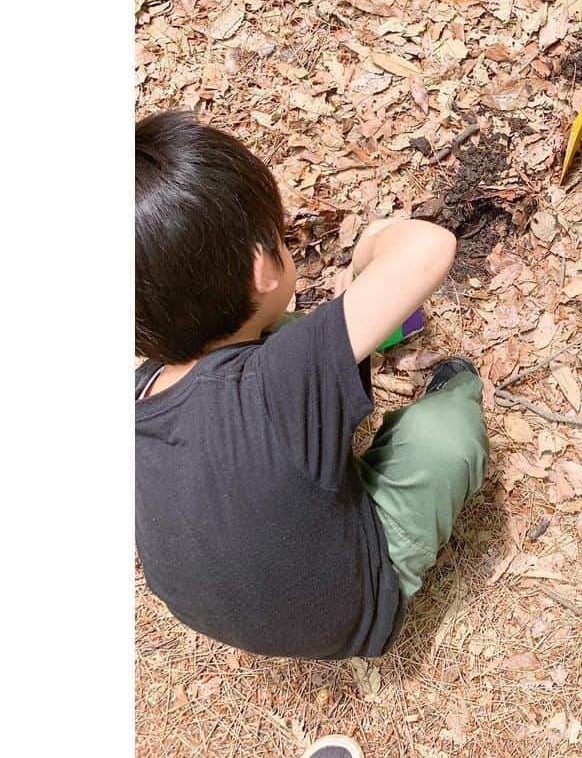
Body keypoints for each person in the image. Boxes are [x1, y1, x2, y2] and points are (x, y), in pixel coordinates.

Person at [135, 110, 488, 660]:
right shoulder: (278, 384)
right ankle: (455, 387)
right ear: (263, 269)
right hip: (355, 609)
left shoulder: (137, 394)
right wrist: (372, 245)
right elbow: (428, 247)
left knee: (289, 338)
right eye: (282, 236)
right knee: (445, 434)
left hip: (215, 610)